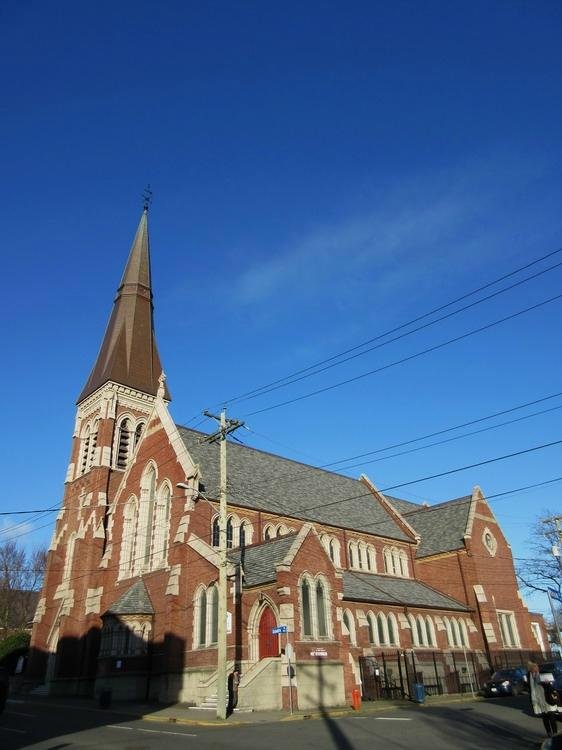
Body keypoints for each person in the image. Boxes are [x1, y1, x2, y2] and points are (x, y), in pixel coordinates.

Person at [528, 661, 558, 737]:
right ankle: (549, 733)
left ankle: (555, 733)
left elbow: (551, 684)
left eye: (536, 667)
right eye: (533, 668)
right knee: (545, 717)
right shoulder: (530, 677)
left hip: (547, 697)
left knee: (551, 716)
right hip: (539, 699)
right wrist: (533, 701)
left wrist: (548, 683)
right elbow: (531, 689)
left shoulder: (543, 673)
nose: (535, 669)